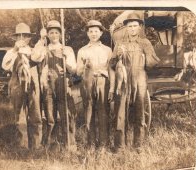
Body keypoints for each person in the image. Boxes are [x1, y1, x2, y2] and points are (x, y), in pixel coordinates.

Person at [109, 13, 160, 149]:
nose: (132, 29)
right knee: (120, 112)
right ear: (126, 27)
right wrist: (117, 56)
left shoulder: (145, 43)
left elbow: (152, 63)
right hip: (124, 80)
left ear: (140, 27)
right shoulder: (120, 44)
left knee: (140, 111)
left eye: (135, 26)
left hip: (140, 79)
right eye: (130, 26)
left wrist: (145, 58)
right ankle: (119, 146)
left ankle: (139, 145)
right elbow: (112, 64)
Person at [31, 20, 77, 149]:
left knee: (66, 114)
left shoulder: (67, 49)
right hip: (48, 85)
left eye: (57, 32)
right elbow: (34, 58)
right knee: (50, 115)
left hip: (63, 83)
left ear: (60, 34)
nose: (54, 35)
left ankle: (70, 144)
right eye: (51, 33)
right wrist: (41, 40)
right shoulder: (43, 48)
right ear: (48, 35)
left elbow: (73, 70)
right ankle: (50, 144)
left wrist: (66, 59)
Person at [2, 23, 42, 151]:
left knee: (35, 114)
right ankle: (23, 145)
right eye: (19, 36)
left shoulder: (33, 50)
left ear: (29, 38)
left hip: (32, 85)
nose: (22, 39)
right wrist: (15, 50)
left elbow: (39, 57)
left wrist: (43, 39)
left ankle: (37, 145)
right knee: (19, 115)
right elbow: (5, 66)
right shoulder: (11, 52)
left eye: (25, 36)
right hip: (17, 85)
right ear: (15, 39)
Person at [76, 20, 114, 148]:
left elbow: (111, 70)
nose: (93, 34)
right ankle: (90, 143)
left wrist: (112, 87)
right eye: (90, 31)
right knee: (89, 111)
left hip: (103, 81)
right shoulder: (82, 51)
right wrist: (85, 66)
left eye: (96, 31)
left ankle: (104, 143)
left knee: (103, 112)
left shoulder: (108, 50)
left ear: (101, 33)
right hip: (88, 82)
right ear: (87, 33)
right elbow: (78, 71)